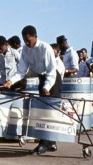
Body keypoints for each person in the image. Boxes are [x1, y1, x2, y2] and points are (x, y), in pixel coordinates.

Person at [4, 25, 60, 155]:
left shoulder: (45, 48)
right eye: (25, 41)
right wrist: (11, 81)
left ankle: (45, 143)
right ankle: (50, 142)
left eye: (29, 40)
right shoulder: (25, 50)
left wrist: (47, 87)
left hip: (53, 80)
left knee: (50, 111)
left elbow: (52, 71)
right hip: (42, 78)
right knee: (42, 111)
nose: (27, 43)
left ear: (35, 37)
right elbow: (21, 71)